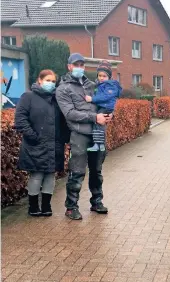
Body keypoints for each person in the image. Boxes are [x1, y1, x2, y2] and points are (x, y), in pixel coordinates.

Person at [56, 53, 112, 220]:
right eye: (76, 64)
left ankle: (97, 202)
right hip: (79, 134)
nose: (79, 67)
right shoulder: (63, 89)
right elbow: (70, 113)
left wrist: (108, 114)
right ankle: (71, 206)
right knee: (77, 171)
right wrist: (95, 118)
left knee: (97, 171)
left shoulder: (93, 85)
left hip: (97, 133)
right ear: (69, 67)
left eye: (82, 64)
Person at [14, 70, 69, 217]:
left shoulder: (56, 99)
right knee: (37, 175)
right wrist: (33, 136)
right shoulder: (28, 97)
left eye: (53, 81)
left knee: (50, 175)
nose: (50, 83)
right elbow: (20, 119)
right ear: (39, 80)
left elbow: (63, 122)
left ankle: (46, 205)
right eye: (48, 80)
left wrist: (64, 138)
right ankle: (33, 206)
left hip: (54, 145)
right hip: (35, 144)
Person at [85, 61, 122, 152]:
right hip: (104, 106)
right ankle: (99, 144)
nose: (101, 78)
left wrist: (92, 99)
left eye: (104, 76)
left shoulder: (110, 85)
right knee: (98, 124)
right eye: (100, 75)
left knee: (99, 123)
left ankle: (100, 144)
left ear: (109, 77)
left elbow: (105, 97)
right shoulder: (99, 85)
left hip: (106, 107)